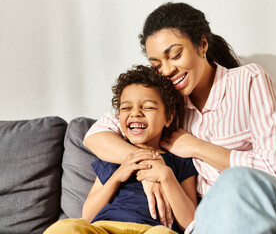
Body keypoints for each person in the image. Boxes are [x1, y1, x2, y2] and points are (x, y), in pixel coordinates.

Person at [84, 2, 276, 233]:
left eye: (176, 55)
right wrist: (147, 164)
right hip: (221, 222)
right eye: (157, 64)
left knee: (233, 182)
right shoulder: (168, 106)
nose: (167, 70)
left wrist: (197, 147)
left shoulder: (248, 81)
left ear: (202, 45)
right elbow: (95, 135)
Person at [44, 65, 197, 234]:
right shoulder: (114, 157)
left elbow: (190, 222)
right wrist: (117, 176)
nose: (135, 113)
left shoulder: (179, 160)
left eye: (147, 107)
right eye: (126, 108)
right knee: (64, 227)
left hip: (151, 230)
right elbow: (87, 215)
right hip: (105, 228)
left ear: (168, 117)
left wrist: (166, 176)